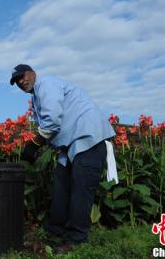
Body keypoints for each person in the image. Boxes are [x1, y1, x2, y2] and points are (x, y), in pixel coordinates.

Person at [10, 64, 115, 254]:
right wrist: (38, 148)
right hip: (70, 147)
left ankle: (75, 239)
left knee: (80, 192)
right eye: (16, 81)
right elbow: (51, 129)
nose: (20, 82)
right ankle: (54, 233)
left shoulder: (46, 84)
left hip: (88, 139)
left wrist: (33, 144)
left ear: (32, 73)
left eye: (22, 76)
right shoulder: (36, 96)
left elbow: (52, 121)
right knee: (61, 189)